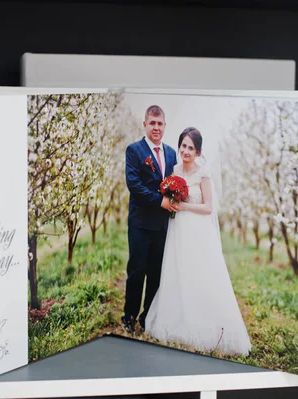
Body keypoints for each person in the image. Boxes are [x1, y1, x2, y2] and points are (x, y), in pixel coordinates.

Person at [144, 127, 252, 356]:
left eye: (190, 147)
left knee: (198, 274)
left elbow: (208, 207)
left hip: (198, 230)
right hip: (178, 230)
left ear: (198, 151)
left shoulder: (203, 174)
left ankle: (202, 323)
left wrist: (183, 206)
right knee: (178, 271)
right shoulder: (174, 170)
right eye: (183, 145)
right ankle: (177, 321)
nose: (185, 151)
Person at [122, 105, 178, 333]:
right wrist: (160, 201)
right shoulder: (134, 151)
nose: (156, 127)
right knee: (137, 272)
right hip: (140, 224)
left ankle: (148, 317)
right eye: (152, 123)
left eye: (160, 123)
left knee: (156, 273)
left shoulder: (172, 153)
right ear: (144, 124)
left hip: (164, 225)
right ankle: (129, 316)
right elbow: (134, 185)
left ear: (165, 126)